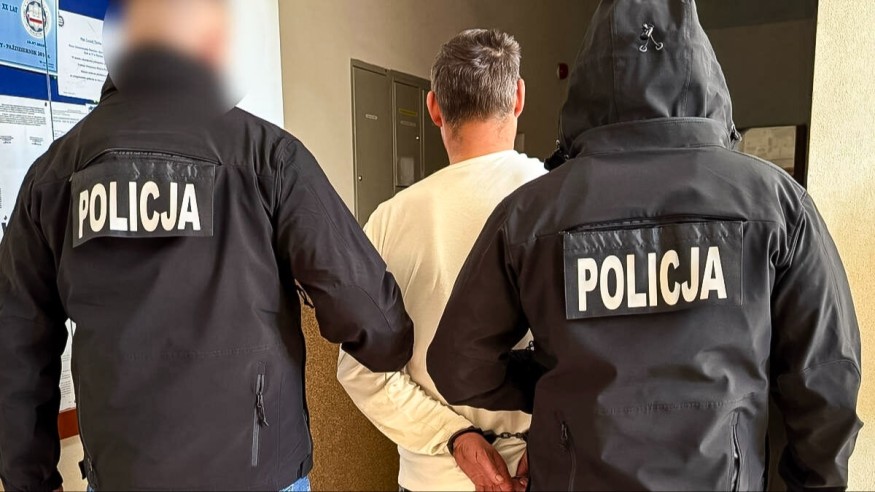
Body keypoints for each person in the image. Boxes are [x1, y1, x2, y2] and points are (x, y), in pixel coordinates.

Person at [427, 1, 863, 490]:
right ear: (700, 68)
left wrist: (554, 384)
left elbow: (457, 365)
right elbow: (826, 378)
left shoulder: (531, 212)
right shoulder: (776, 203)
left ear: (589, 80)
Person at [0, 1, 413, 490]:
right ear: (209, 44)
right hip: (258, 474)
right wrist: (394, 345)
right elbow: (370, 315)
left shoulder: (51, 176)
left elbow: (16, 351)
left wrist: (30, 481)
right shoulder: (268, 156)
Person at [337, 29, 545, 492]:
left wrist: (455, 437)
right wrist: (551, 437)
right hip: (545, 472)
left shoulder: (389, 220)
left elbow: (360, 370)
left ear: (433, 108)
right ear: (518, 97)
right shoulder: (566, 202)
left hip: (432, 480)